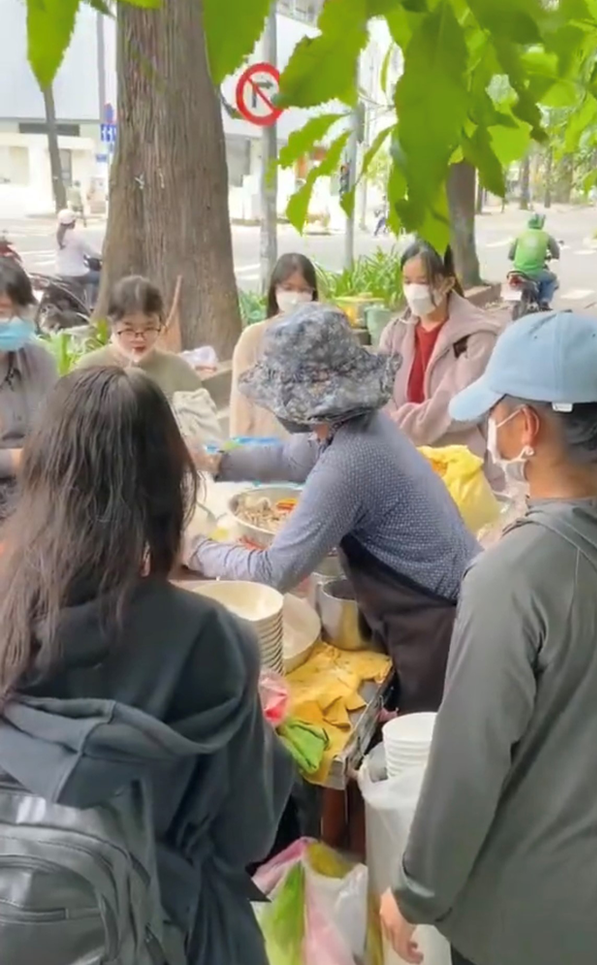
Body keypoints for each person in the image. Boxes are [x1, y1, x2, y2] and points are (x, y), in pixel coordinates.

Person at [0, 366, 293, 965]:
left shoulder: (8, 615)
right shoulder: (210, 639)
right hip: (176, 930)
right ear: (168, 489)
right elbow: (247, 835)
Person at [380, 311, 597, 965]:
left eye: (495, 410)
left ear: (525, 427)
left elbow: (467, 766)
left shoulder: (513, 578)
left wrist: (411, 892)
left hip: (517, 919)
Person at [186, 304, 479, 713]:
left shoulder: (351, 461)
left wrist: (192, 549)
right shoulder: (360, 424)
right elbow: (292, 459)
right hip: (450, 601)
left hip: (438, 624)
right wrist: (215, 461)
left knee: (425, 745)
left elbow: (273, 573)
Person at [379, 241, 503, 486]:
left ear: (446, 282)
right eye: (407, 281)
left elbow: (457, 408)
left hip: (457, 472)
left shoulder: (478, 336)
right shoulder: (395, 331)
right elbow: (378, 392)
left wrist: (393, 425)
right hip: (401, 463)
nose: (414, 290)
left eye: (423, 282)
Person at [230, 253, 319, 440]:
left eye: (304, 290)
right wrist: (239, 453)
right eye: (288, 288)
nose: (296, 297)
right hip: (263, 449)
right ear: (275, 291)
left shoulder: (320, 339)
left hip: (309, 449)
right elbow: (241, 406)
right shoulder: (252, 338)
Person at [78, 274, 203, 397]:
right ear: (113, 325)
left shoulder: (179, 370)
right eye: (129, 329)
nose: (139, 338)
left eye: (149, 328)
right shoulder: (87, 370)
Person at [0, 259, 57, 518]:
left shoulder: (40, 361)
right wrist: (15, 460)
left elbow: (59, 429)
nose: (13, 321)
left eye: (20, 311)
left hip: (40, 493)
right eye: (2, 312)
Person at [508, 213, 560, 308]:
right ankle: (544, 300)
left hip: (517, 271)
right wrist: (552, 256)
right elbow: (556, 253)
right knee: (552, 279)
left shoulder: (520, 235)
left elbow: (511, 255)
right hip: (535, 272)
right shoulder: (546, 236)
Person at [55, 208, 101, 300]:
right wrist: (105, 257)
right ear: (73, 222)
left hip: (60, 272)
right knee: (101, 277)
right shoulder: (76, 237)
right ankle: (93, 303)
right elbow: (93, 253)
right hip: (78, 273)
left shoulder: (55, 236)